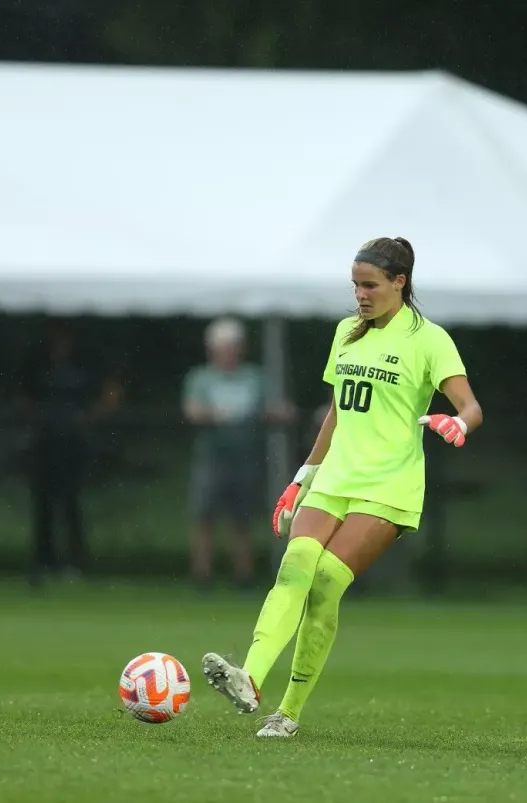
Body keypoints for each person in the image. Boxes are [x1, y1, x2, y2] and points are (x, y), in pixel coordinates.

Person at [200, 236, 483, 737]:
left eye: (370, 285)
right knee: (295, 566)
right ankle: (249, 678)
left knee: (326, 584)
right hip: (333, 478)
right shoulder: (346, 334)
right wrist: (300, 479)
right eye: (355, 285)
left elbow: (470, 406)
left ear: (400, 282)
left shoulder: (429, 339)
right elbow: (336, 413)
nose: (361, 295)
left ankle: (289, 713)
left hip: (389, 486)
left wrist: (458, 423)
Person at [182, 317, 291, 590]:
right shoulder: (201, 378)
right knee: (204, 518)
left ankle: (244, 576)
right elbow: (191, 409)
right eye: (224, 347)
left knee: (242, 520)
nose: (229, 352)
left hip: (245, 460)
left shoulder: (254, 378)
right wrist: (211, 415)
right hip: (211, 459)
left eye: (233, 346)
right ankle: (201, 576)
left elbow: (273, 407)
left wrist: (280, 413)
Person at [18, 323, 120, 587]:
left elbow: (110, 393)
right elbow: (22, 394)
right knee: (42, 504)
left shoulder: (85, 365)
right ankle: (43, 560)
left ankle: (75, 561)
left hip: (73, 442)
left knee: (70, 502)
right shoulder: (37, 364)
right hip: (44, 441)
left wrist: (89, 418)